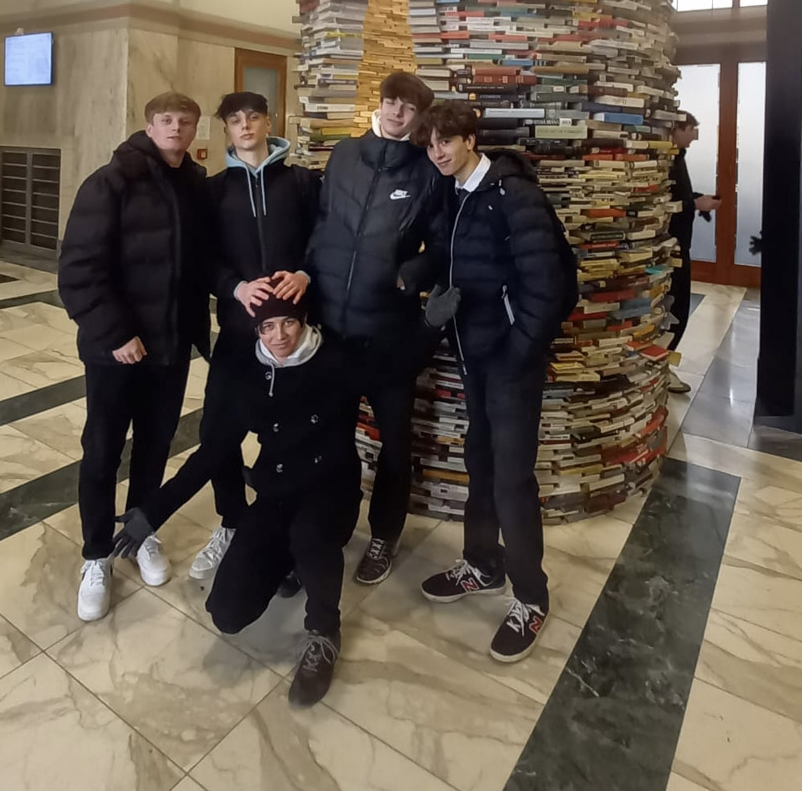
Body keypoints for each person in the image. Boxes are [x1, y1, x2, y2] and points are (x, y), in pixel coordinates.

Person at [112, 288, 458, 706]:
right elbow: (213, 453)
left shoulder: (335, 358)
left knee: (310, 537)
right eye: (268, 326)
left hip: (331, 489)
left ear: (304, 320)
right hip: (276, 493)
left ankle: (324, 633)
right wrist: (154, 512)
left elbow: (393, 368)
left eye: (289, 322)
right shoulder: (250, 374)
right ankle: (290, 562)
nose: (279, 336)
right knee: (227, 613)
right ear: (257, 330)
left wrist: (429, 325)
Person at [415, 100, 577, 664]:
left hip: (508, 363)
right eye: (430, 143)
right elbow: (448, 257)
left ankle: (531, 597)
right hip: (472, 355)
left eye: (445, 141)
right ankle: (482, 564)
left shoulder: (514, 194)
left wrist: (516, 353)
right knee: (479, 463)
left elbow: (546, 287)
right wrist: (414, 278)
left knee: (511, 479)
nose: (437, 152)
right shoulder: (454, 193)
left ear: (470, 139)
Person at [58, 92, 212, 623]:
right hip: (116, 351)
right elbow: (79, 270)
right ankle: (96, 553)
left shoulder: (195, 186)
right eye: (166, 120)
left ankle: (141, 532)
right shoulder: (110, 182)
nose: (176, 128)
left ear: (195, 129)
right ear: (149, 126)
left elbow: (200, 266)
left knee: (154, 445)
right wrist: (116, 333)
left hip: (169, 348)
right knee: (102, 451)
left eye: (185, 121)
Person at [158, 90, 320, 583]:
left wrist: (305, 273)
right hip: (237, 331)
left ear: (269, 122)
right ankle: (231, 521)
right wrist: (235, 286)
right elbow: (201, 258)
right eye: (234, 120)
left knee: (289, 434)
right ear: (226, 129)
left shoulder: (301, 182)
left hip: (293, 336)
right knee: (218, 432)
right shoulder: (213, 191)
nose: (245, 126)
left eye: (253, 117)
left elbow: (323, 240)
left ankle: (283, 529)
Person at [306, 69, 443, 585]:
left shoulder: (427, 170)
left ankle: (384, 534)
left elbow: (442, 245)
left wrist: (413, 273)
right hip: (333, 330)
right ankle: (335, 525)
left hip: (389, 334)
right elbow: (322, 223)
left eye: (409, 107)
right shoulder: (343, 154)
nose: (397, 112)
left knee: (395, 445)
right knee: (332, 438)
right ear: (380, 102)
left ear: (419, 117)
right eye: (392, 102)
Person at [668, 112, 720, 394]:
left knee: (678, 306)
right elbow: (665, 203)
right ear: (678, 129)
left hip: (680, 244)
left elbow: (679, 198)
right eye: (691, 130)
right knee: (674, 307)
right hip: (670, 247)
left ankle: (664, 363)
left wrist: (697, 200)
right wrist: (695, 204)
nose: (695, 137)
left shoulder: (678, 157)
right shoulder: (667, 160)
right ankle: (663, 365)